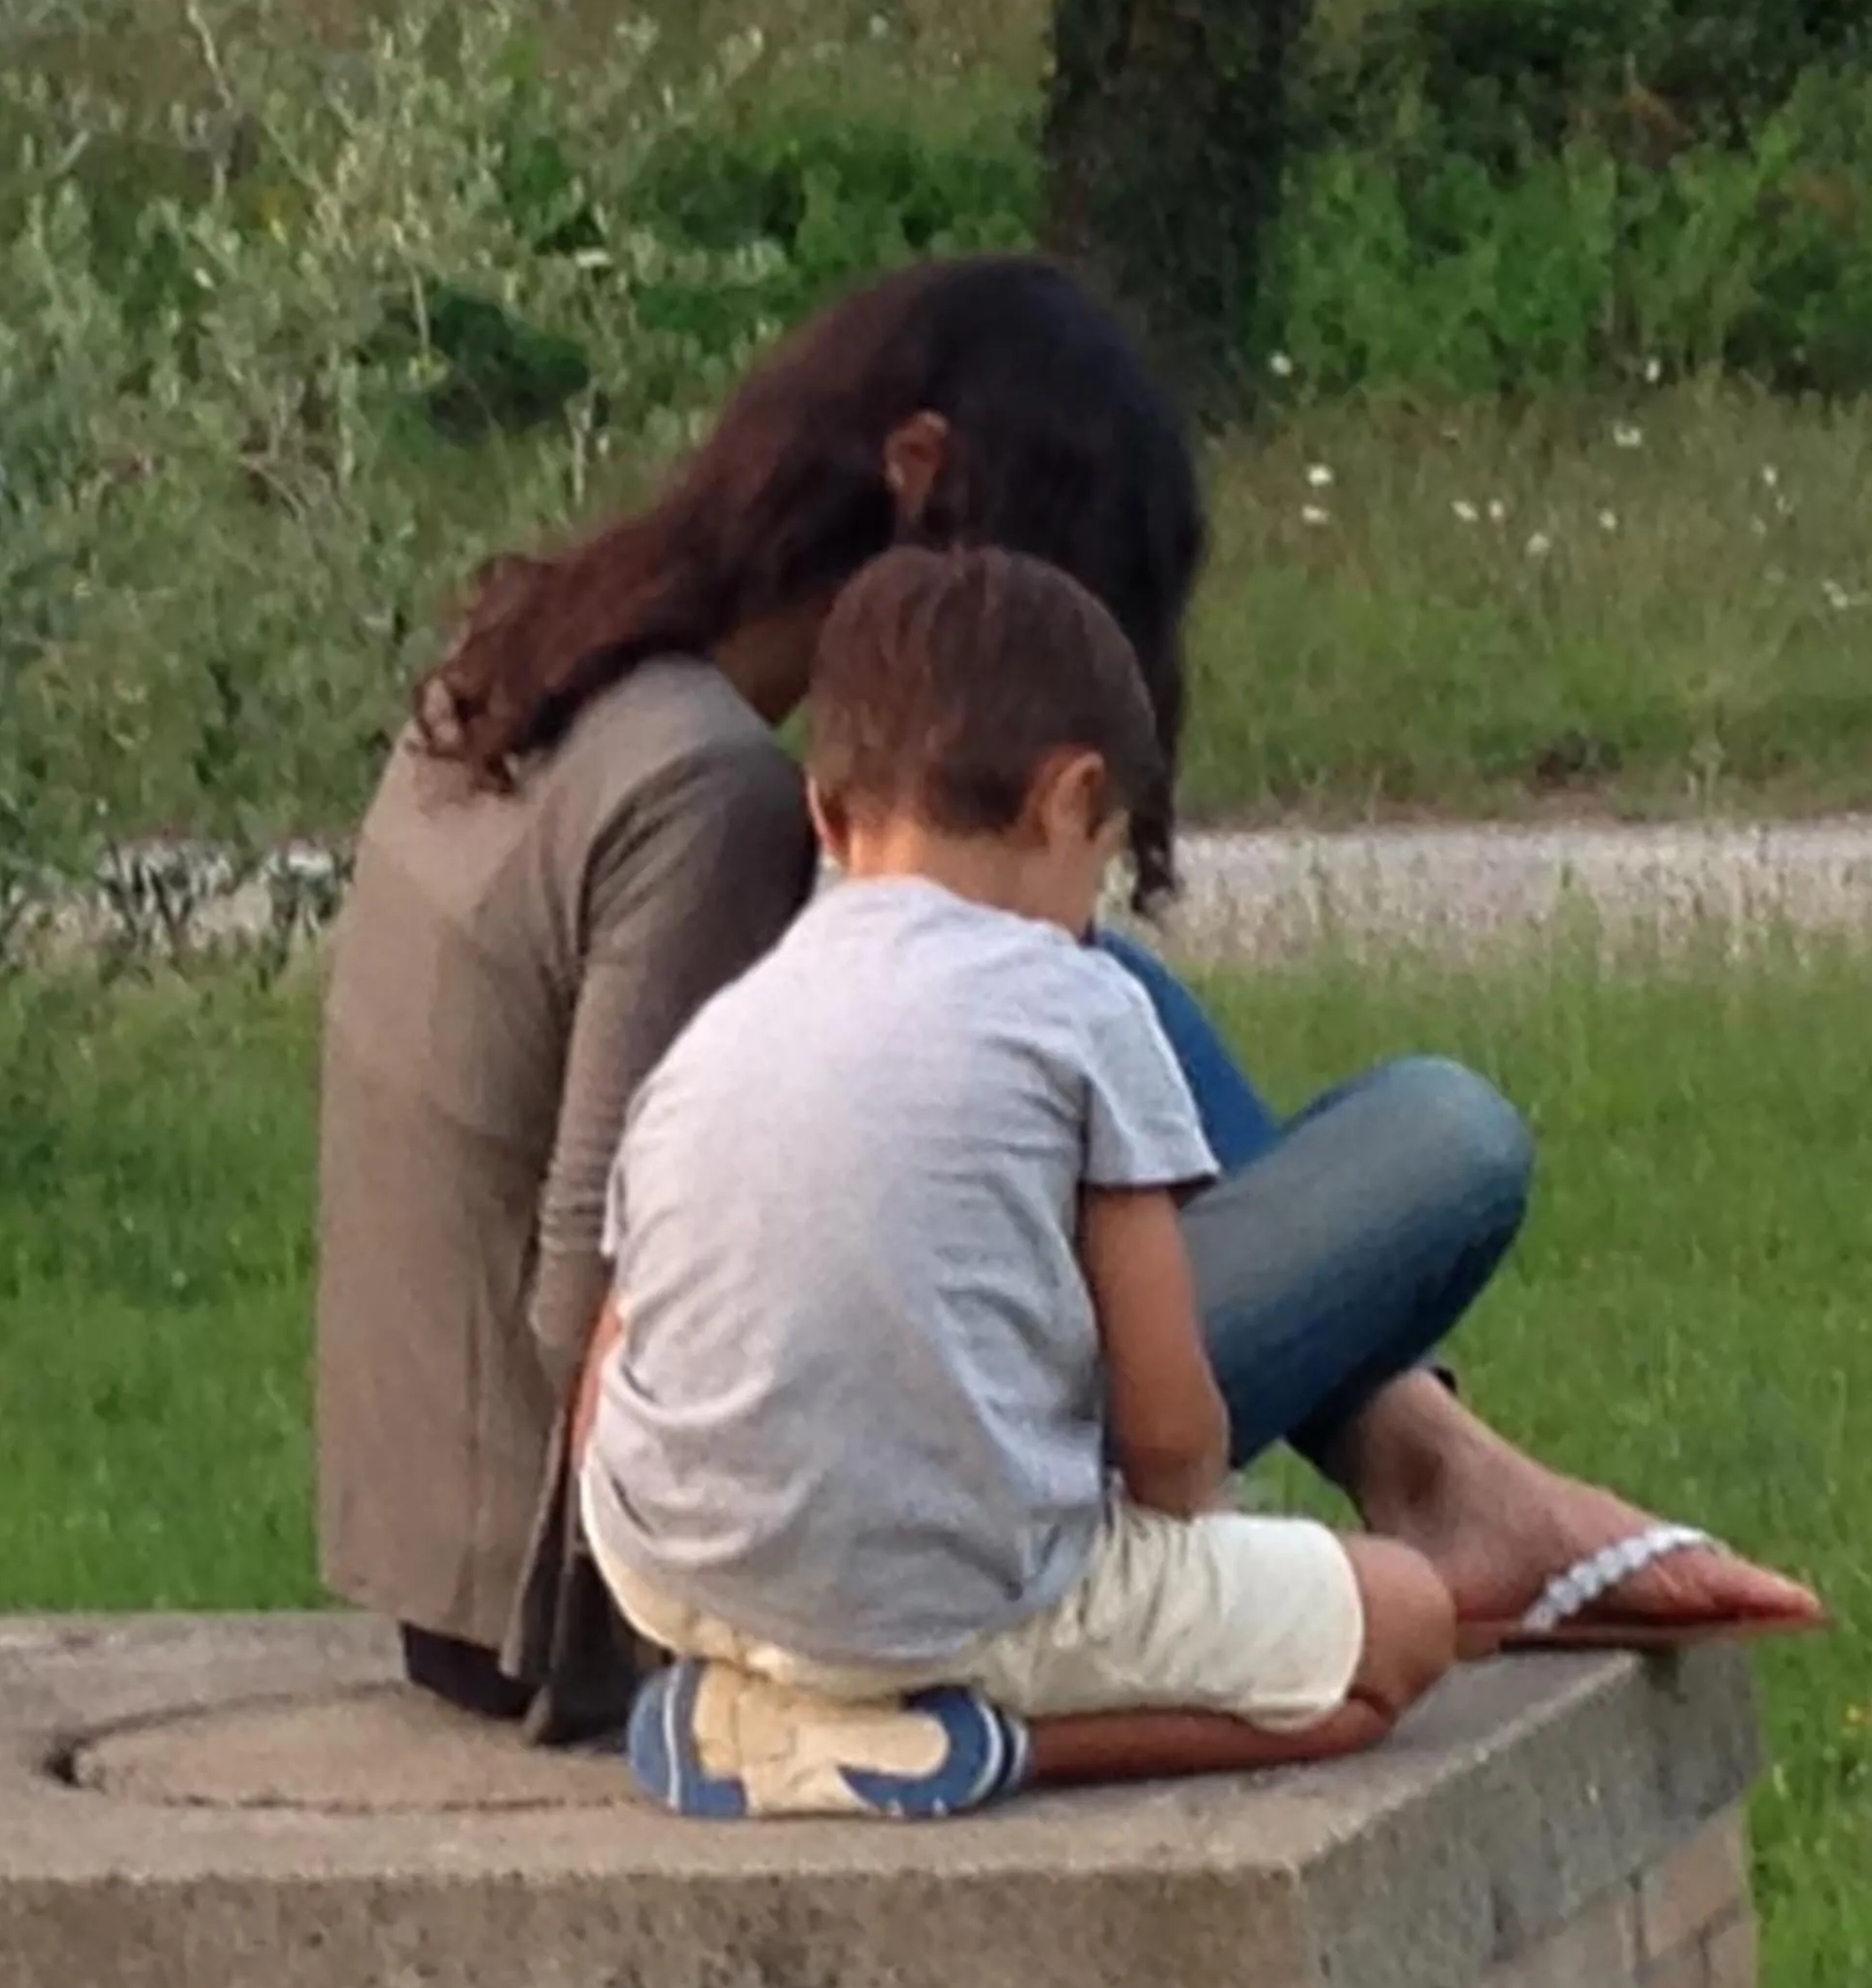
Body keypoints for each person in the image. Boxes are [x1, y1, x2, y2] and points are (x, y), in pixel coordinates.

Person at [312, 254, 1820, 1749]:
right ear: (915, 477)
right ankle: (1428, 1479)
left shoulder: (539, 672)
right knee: (1447, 1140)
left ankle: (1437, 1467)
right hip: (637, 1585)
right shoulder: (709, 792)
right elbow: (588, 1303)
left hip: (468, 1574)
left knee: (1098, 987)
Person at [578, 546, 1461, 1818]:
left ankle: (763, 1704)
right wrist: (1192, 1536)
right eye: (1105, 854)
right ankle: (967, 1745)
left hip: (669, 1570)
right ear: (1072, 799)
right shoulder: (1083, 1005)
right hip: (950, 1603)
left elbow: (612, 1356)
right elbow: (1169, 1438)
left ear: (826, 814)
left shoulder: (722, 1028)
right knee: (1405, 1626)